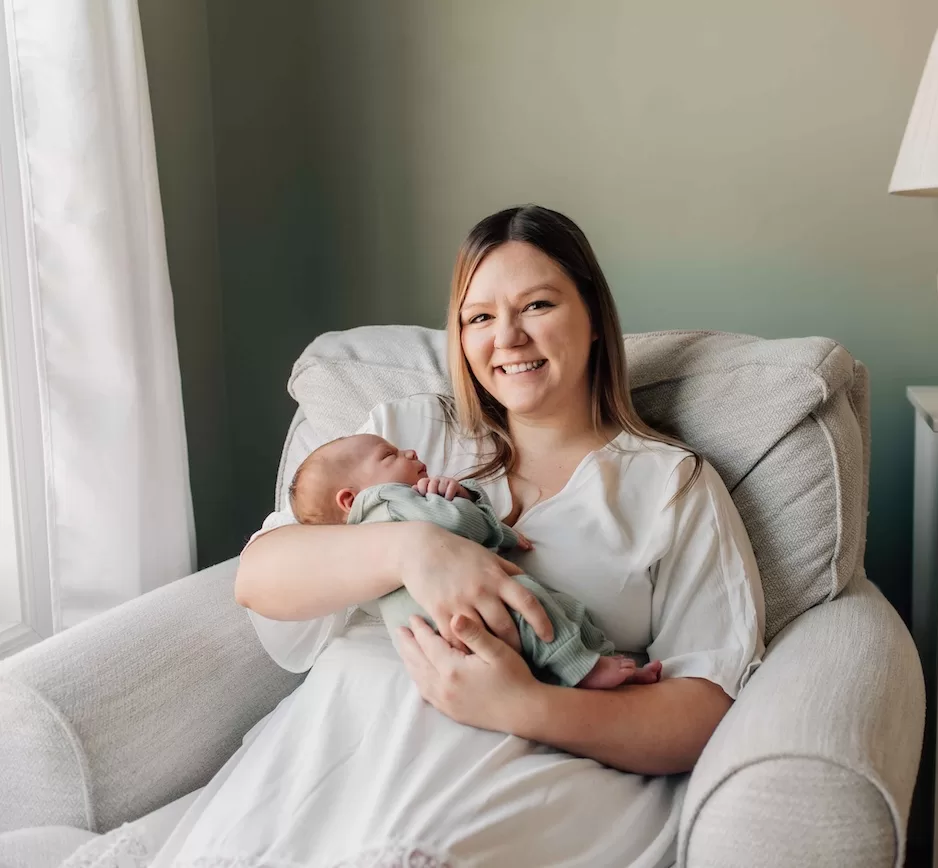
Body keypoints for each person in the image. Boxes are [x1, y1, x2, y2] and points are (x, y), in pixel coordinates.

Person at [80, 204, 765, 868]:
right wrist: (414, 548)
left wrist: (526, 705)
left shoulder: (671, 486)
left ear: (592, 319)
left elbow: (704, 707)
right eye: (480, 317)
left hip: (528, 759)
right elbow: (259, 577)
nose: (509, 338)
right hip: (343, 745)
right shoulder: (404, 437)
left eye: (537, 306)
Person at [288, 432, 664, 689]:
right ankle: (585, 667)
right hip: (466, 606)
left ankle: (589, 667)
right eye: (389, 455)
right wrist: (463, 501)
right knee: (536, 606)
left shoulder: (350, 548)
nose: (410, 453)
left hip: (434, 638)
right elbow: (461, 526)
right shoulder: (387, 500)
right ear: (350, 500)